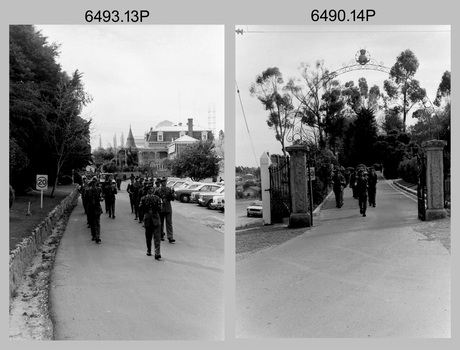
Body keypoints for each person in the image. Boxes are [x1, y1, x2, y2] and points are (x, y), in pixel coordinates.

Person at [139, 181, 163, 259]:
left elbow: (140, 208)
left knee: (148, 236)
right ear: (152, 190)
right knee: (157, 237)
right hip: (155, 217)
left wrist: (146, 212)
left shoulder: (143, 198)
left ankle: (149, 250)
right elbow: (160, 208)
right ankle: (157, 253)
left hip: (147, 218)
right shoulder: (157, 198)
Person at [155, 176, 176, 243]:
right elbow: (155, 198)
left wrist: (172, 194)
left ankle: (170, 236)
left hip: (168, 207)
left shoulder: (169, 189)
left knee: (169, 222)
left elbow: (172, 199)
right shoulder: (157, 190)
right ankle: (161, 235)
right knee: (160, 222)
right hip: (161, 208)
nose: (164, 183)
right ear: (161, 182)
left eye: (165, 181)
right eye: (163, 182)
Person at [85, 176, 104, 243]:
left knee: (97, 222)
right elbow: (86, 199)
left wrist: (101, 198)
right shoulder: (87, 190)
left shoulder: (99, 189)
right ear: (91, 183)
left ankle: (98, 237)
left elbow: (101, 196)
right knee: (92, 223)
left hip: (97, 207)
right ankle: (94, 235)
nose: (94, 184)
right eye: (93, 182)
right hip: (90, 208)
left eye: (95, 182)